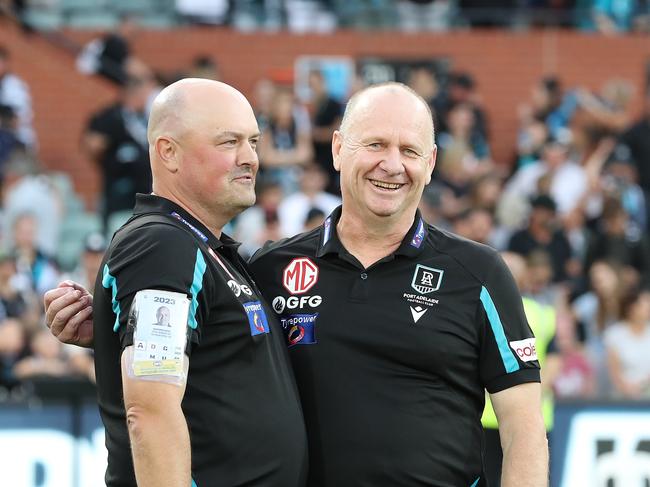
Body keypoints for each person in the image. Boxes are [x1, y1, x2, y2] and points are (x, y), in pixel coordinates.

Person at [45, 82, 547, 486]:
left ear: (431, 162)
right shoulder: (269, 267)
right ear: (337, 149)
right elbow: (188, 358)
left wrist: (112, 330)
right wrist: (113, 329)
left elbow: (525, 431)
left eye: (409, 150)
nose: (392, 164)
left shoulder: (478, 273)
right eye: (374, 144)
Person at [45, 78, 307, 487]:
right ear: (168, 152)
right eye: (229, 142)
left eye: (253, 142)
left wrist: (112, 335)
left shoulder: (203, 247)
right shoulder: (161, 244)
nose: (250, 158)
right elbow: (149, 412)